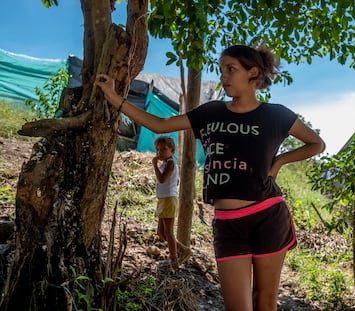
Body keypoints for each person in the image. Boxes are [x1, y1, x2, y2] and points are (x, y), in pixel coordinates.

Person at [96, 44, 325, 311]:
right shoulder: (211, 113)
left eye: (231, 69)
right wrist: (114, 98)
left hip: (268, 216)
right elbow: (160, 125)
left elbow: (316, 144)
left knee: (264, 302)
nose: (223, 77)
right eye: (221, 70)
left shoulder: (276, 115)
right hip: (228, 224)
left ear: (253, 73)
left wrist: (280, 161)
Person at [152, 135, 191, 270]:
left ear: (172, 150)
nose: (159, 153)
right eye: (157, 150)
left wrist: (154, 165)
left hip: (169, 199)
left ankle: (174, 260)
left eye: (163, 149)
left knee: (168, 231)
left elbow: (162, 179)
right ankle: (184, 249)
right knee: (161, 233)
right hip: (163, 199)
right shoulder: (165, 163)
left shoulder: (170, 163)